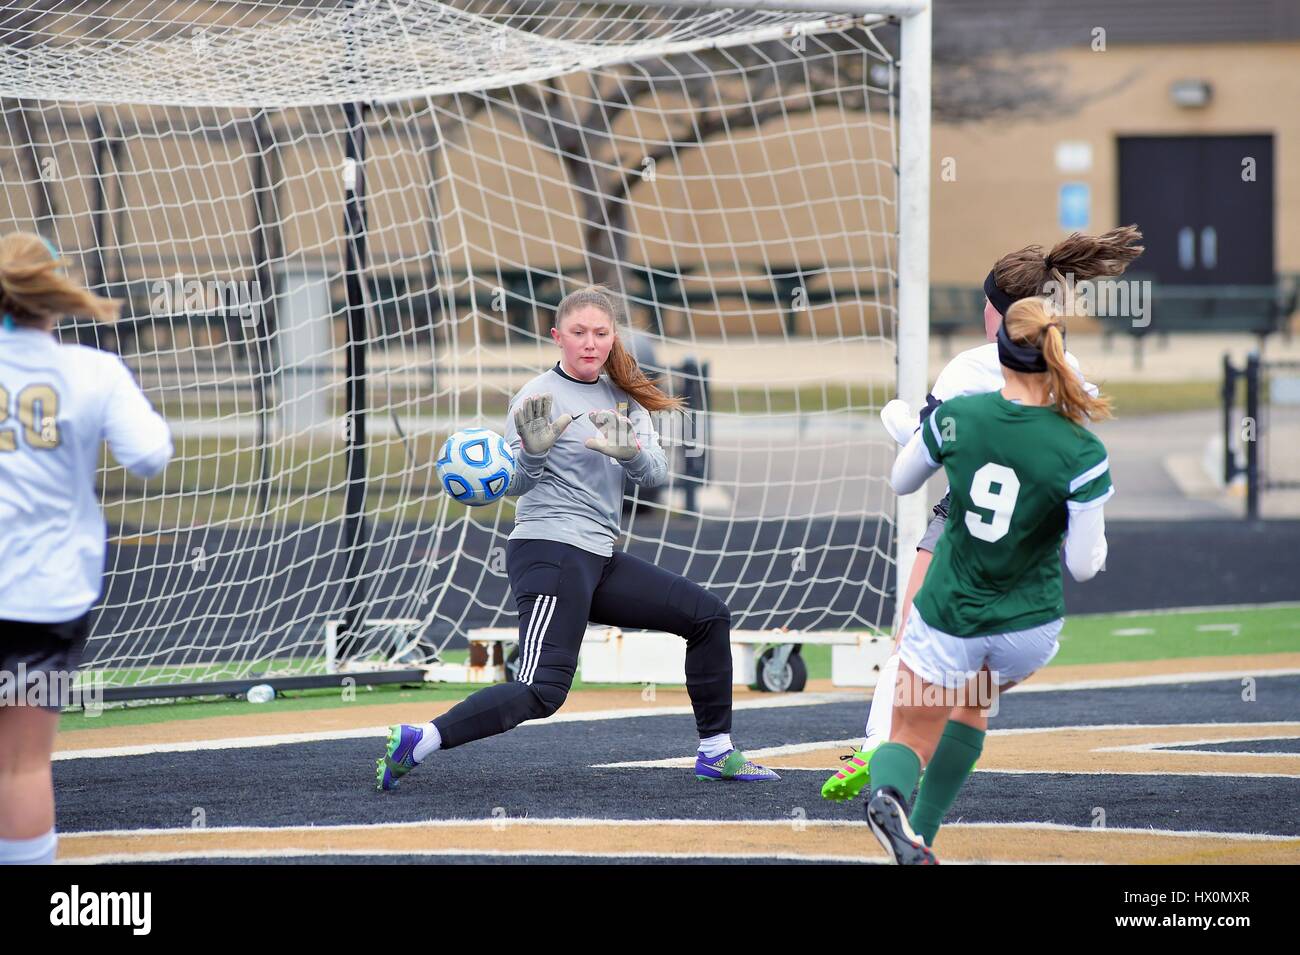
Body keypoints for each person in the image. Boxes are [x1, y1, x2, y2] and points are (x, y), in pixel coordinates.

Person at [377, 285, 778, 790]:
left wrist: (628, 451)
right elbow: (512, 483)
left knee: (707, 616)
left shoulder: (625, 395)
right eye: (579, 332)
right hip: (551, 551)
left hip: (598, 556)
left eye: (601, 333)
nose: (590, 342)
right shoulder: (535, 397)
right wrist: (534, 454)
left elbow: (653, 474)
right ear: (557, 337)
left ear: (613, 338)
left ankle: (716, 752)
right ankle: (421, 738)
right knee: (542, 690)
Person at [822, 225, 1142, 802]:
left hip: (965, 513)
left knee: (913, 636)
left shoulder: (969, 369)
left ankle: (879, 745)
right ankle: (913, 759)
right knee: (973, 689)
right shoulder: (1074, 374)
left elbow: (921, 455)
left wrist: (898, 419)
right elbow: (1075, 481)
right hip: (1032, 533)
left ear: (1002, 314)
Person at [865, 296, 1114, 863]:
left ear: (997, 354)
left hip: (952, 612)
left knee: (907, 733)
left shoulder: (960, 417)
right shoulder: (1082, 447)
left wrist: (914, 429)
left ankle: (887, 797)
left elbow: (903, 481)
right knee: (971, 702)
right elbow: (1083, 563)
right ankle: (921, 838)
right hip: (1028, 628)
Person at [0, 232, 173, 865]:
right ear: (52, 294)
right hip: (43, 596)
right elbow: (150, 455)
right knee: (19, 767)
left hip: (41, 592)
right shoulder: (91, 370)